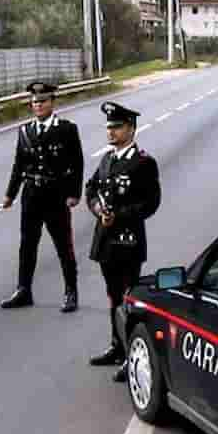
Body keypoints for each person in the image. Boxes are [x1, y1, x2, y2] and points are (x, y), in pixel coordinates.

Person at [86, 100, 161, 382]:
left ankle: (132, 355)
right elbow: (91, 189)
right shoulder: (107, 160)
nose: (111, 132)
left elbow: (151, 203)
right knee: (113, 297)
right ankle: (117, 347)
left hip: (128, 242)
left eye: (116, 127)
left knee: (128, 300)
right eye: (108, 127)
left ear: (131, 128)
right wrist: (97, 209)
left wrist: (118, 215)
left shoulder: (143, 162)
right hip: (105, 241)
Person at [1, 81, 84, 312]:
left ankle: (70, 292)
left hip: (55, 195)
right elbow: (18, 164)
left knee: (63, 246)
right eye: (35, 102)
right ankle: (23, 290)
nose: (38, 105)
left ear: (52, 102)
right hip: (31, 196)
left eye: (43, 101)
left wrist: (74, 193)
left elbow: (77, 163)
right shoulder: (25, 131)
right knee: (27, 245)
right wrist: (10, 194)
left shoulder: (66, 129)